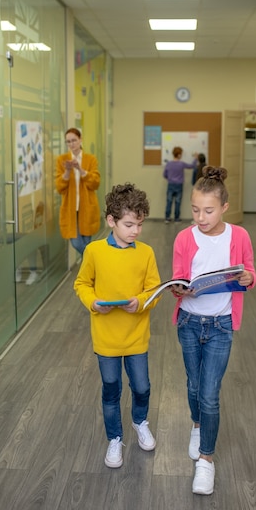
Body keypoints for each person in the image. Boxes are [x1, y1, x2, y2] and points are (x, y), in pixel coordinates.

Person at [171, 166, 256, 495]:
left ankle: (206, 460)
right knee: (193, 385)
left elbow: (248, 271)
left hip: (222, 325)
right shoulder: (183, 238)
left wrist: (249, 277)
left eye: (208, 210)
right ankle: (197, 425)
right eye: (194, 210)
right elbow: (180, 277)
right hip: (189, 323)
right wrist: (181, 289)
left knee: (209, 395)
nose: (200, 217)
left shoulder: (240, 236)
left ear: (224, 207)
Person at [74, 183, 161, 468]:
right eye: (129, 224)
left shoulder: (145, 253)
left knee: (142, 386)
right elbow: (82, 283)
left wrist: (140, 302)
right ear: (111, 221)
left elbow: (154, 290)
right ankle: (115, 438)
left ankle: (140, 421)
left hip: (136, 336)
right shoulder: (94, 251)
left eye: (139, 224)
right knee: (111, 388)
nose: (135, 231)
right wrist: (92, 302)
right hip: (106, 337)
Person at [55, 128, 100, 256]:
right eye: (68, 142)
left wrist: (80, 169)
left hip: (86, 207)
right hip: (70, 208)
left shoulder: (90, 159)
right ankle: (94, 261)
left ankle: (88, 273)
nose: (71, 144)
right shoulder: (62, 160)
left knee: (86, 241)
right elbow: (59, 187)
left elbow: (95, 183)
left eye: (74, 140)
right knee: (77, 243)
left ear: (80, 140)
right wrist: (68, 171)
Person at [163, 146, 197, 223]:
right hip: (179, 185)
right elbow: (191, 166)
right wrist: (195, 158)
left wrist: (170, 178)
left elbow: (164, 174)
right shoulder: (181, 164)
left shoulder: (169, 164)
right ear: (178, 155)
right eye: (181, 154)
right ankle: (177, 218)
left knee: (169, 201)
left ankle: (167, 218)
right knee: (178, 202)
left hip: (170, 184)